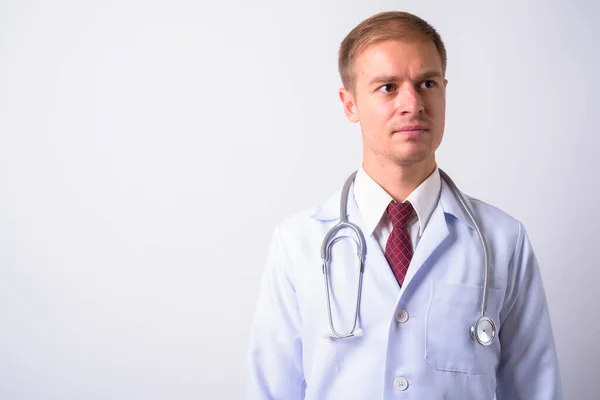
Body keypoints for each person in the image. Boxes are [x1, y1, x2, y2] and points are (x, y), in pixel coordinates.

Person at [246, 11, 563, 399]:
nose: (412, 103)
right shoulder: (298, 243)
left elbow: (536, 389)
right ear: (350, 105)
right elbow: (270, 390)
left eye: (426, 83)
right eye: (388, 87)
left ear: (444, 91)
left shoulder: (502, 240)